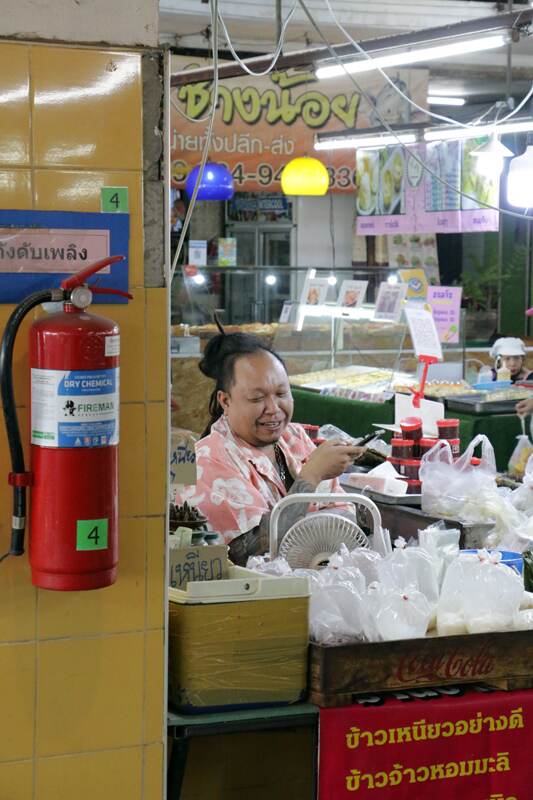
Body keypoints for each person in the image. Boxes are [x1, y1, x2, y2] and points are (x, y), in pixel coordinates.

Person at [179, 327, 362, 565]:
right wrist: (311, 476)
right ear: (225, 400)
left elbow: (343, 513)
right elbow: (251, 554)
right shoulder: (203, 462)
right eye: (257, 398)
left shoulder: (293, 437)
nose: (274, 409)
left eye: (281, 393)